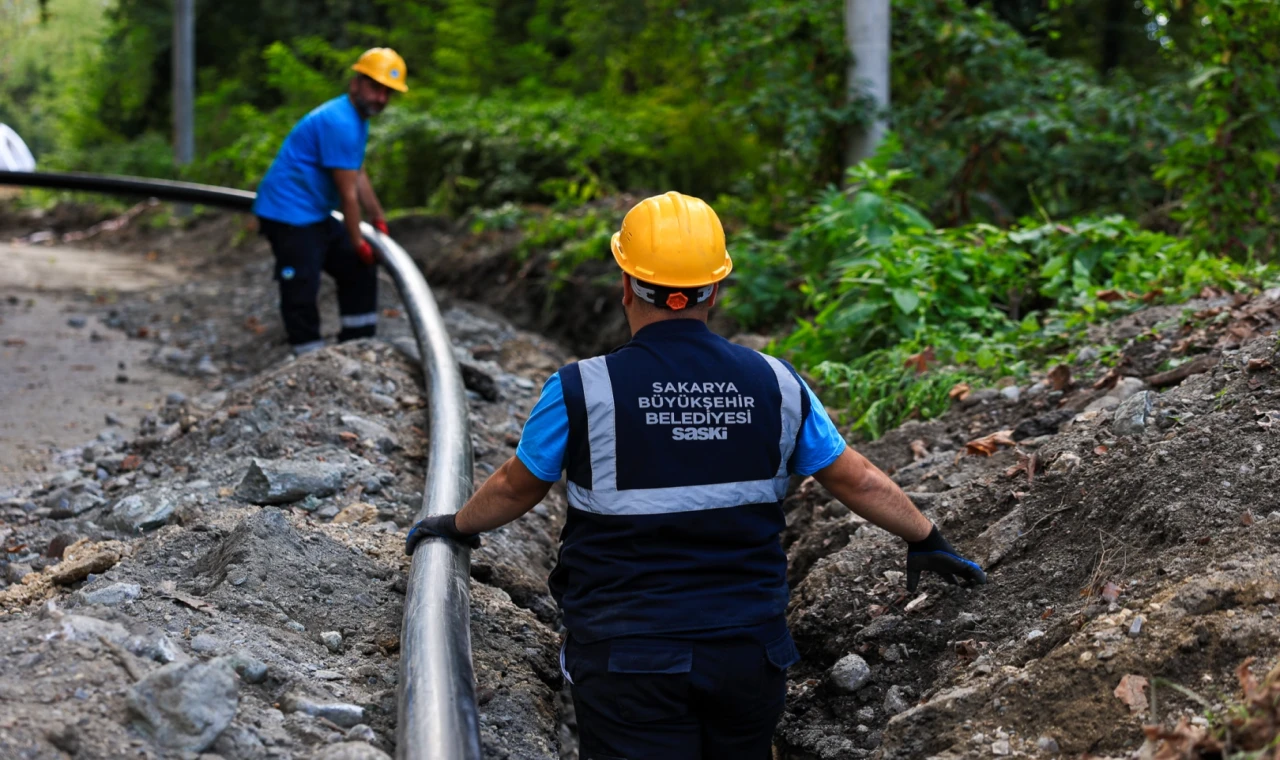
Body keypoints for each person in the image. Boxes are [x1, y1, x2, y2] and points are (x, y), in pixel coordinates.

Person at [405, 191, 987, 759]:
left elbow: (516, 485)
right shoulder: (777, 382)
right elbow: (853, 477)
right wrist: (925, 537)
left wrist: (455, 525)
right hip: (748, 655)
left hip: (628, 655)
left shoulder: (583, 387)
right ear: (715, 289)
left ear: (627, 284)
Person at [252, 47, 407, 355]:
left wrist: (378, 219)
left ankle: (358, 345)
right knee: (302, 282)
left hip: (315, 212)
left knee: (357, 267)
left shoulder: (355, 119)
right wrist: (359, 241)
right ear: (356, 83)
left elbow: (358, 173)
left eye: (387, 92)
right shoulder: (340, 121)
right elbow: (347, 194)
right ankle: (307, 356)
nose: (381, 98)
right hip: (288, 213)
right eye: (376, 88)